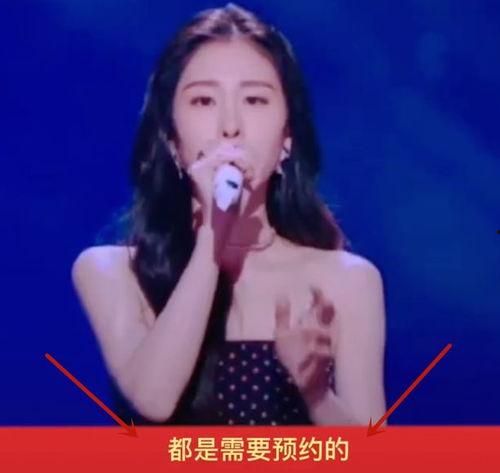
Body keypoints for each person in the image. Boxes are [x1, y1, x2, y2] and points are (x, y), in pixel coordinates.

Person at [71, 2, 387, 426]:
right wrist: (212, 238)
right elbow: (153, 399)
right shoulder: (113, 272)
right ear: (171, 139)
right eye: (203, 100)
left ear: (287, 138)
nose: (230, 126)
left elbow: (372, 453)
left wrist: (316, 395)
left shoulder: (347, 281)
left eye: (255, 100)